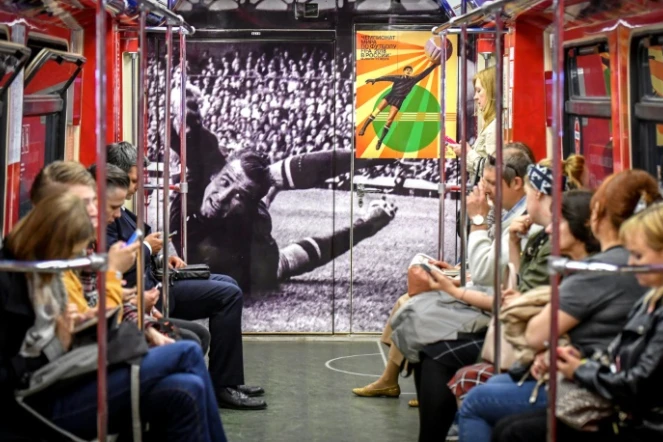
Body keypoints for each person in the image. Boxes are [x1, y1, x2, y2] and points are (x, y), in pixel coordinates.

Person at [0, 192, 226, 441]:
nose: (82, 256)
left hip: (76, 368)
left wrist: (84, 321)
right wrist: (67, 333)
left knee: (187, 388)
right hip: (47, 392)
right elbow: (25, 361)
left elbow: (92, 309)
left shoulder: (54, 271)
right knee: (187, 350)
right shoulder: (25, 277)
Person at [457, 169, 659, 442]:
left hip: (600, 393)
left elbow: (533, 332)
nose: (632, 265)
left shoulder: (598, 270)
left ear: (593, 218)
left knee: (478, 401)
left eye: (638, 255)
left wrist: (575, 365)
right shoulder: (639, 289)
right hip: (591, 374)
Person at [352, 144, 533, 404]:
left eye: (492, 183)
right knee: (412, 305)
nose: (486, 189)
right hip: (485, 293)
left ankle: (415, 386)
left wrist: (478, 222)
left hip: (492, 307)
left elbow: (486, 272)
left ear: (517, 183)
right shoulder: (510, 213)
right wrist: (459, 273)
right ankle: (397, 381)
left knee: (413, 307)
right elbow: (491, 266)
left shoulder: (521, 220)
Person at [106, 142, 266, 410]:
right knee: (228, 294)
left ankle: (226, 381)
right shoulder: (106, 218)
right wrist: (147, 249)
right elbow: (120, 265)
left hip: (156, 282)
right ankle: (222, 386)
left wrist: (160, 257)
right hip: (148, 294)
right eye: (133, 180)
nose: (136, 187)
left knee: (228, 285)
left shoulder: (121, 212)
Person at [358, 60, 440, 150]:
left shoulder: (413, 80)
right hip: (390, 96)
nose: (408, 71)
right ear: (404, 71)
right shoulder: (398, 77)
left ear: (411, 72)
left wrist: (433, 65)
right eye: (407, 70)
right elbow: (387, 77)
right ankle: (363, 128)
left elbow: (424, 73)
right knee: (376, 112)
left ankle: (380, 141)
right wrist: (375, 79)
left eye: (410, 70)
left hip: (399, 101)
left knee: (389, 121)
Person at [449, 67, 496, 177]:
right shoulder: (491, 123)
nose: (475, 97)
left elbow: (493, 172)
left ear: (491, 92)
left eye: (479, 91)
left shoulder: (495, 127)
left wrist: (468, 153)